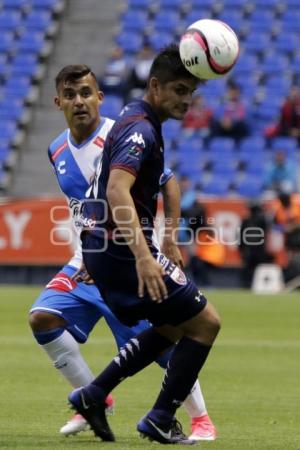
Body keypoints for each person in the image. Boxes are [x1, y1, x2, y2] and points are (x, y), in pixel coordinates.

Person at [28, 64, 217, 441]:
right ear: (58, 102)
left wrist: (168, 239)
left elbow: (169, 183)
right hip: (91, 260)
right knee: (42, 318)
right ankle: (97, 400)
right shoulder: (56, 149)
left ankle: (200, 418)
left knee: (168, 339)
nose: (79, 102)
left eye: (86, 93)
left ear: (100, 97)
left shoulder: (121, 132)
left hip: (125, 253)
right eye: (71, 95)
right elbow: (84, 205)